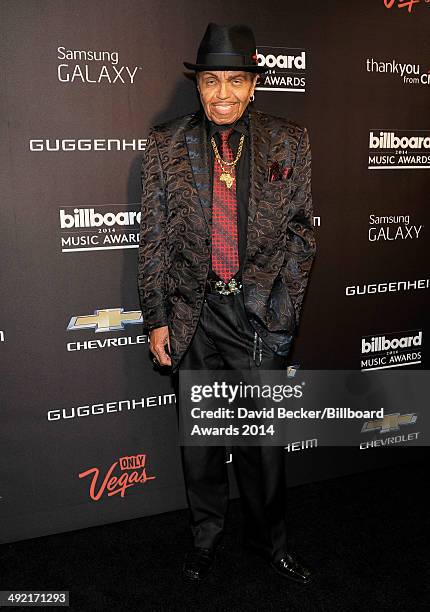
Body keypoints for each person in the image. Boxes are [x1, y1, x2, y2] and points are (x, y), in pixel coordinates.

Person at [137, 23, 316, 583]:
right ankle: (206, 538)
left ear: (254, 85)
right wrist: (157, 318)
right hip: (195, 315)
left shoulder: (289, 140)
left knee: (265, 445)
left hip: (256, 315)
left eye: (235, 81)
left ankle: (269, 543)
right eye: (211, 81)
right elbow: (155, 237)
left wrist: (280, 313)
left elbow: (301, 236)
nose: (222, 94)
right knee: (203, 442)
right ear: (198, 86)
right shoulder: (167, 143)